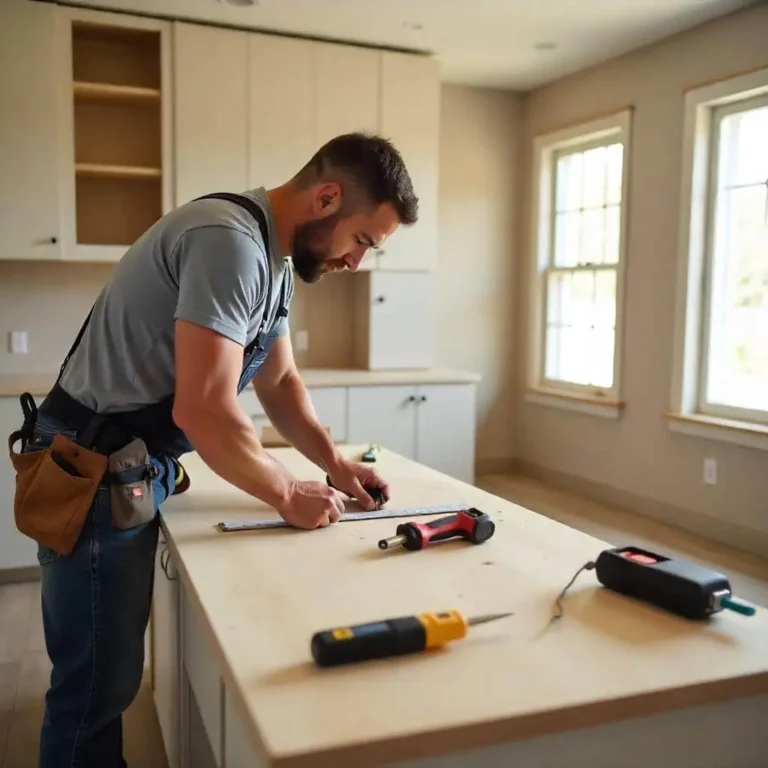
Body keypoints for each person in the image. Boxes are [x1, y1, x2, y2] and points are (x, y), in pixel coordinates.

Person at [18, 132, 419, 767]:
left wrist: (334, 465)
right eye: (363, 240)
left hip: (127, 462)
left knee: (108, 673)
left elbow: (280, 381)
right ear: (328, 197)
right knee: (96, 684)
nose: (356, 263)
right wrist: (285, 492)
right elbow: (202, 405)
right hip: (90, 469)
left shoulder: (274, 258)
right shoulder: (227, 241)